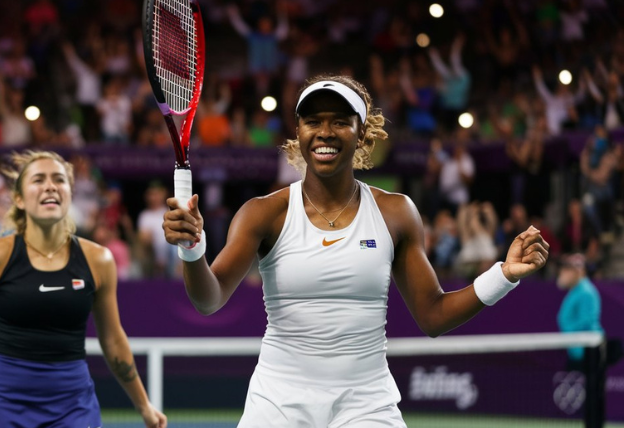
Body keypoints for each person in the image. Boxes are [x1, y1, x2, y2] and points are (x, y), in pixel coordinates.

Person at [162, 74, 550, 427]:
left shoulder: (396, 213)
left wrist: (503, 275)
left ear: (361, 134)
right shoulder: (263, 213)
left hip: (367, 405)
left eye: (340, 121)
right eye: (313, 121)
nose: (325, 132)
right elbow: (208, 300)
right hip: (277, 402)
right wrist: (193, 250)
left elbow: (433, 316)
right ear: (298, 132)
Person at [0, 150, 166, 428]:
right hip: (4, 398)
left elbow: (112, 338)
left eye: (59, 179)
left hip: (72, 402)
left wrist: (143, 405)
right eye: (38, 179)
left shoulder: (99, 260)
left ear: (69, 194)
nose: (50, 185)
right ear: (19, 199)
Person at [556, 253, 603, 372]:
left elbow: (587, 321)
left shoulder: (586, 292)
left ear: (579, 272)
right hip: (577, 351)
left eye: (568, 269)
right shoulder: (576, 290)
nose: (562, 272)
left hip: (586, 354)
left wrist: (567, 332)